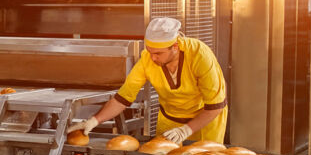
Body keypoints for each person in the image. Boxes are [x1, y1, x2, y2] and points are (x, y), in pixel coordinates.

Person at [69, 17, 227, 144]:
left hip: (204, 122)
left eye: (158, 53)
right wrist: (94, 120)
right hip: (170, 120)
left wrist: (185, 130)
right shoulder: (147, 59)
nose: (153, 57)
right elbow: (123, 98)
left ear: (175, 47)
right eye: (150, 51)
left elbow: (215, 106)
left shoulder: (200, 55)